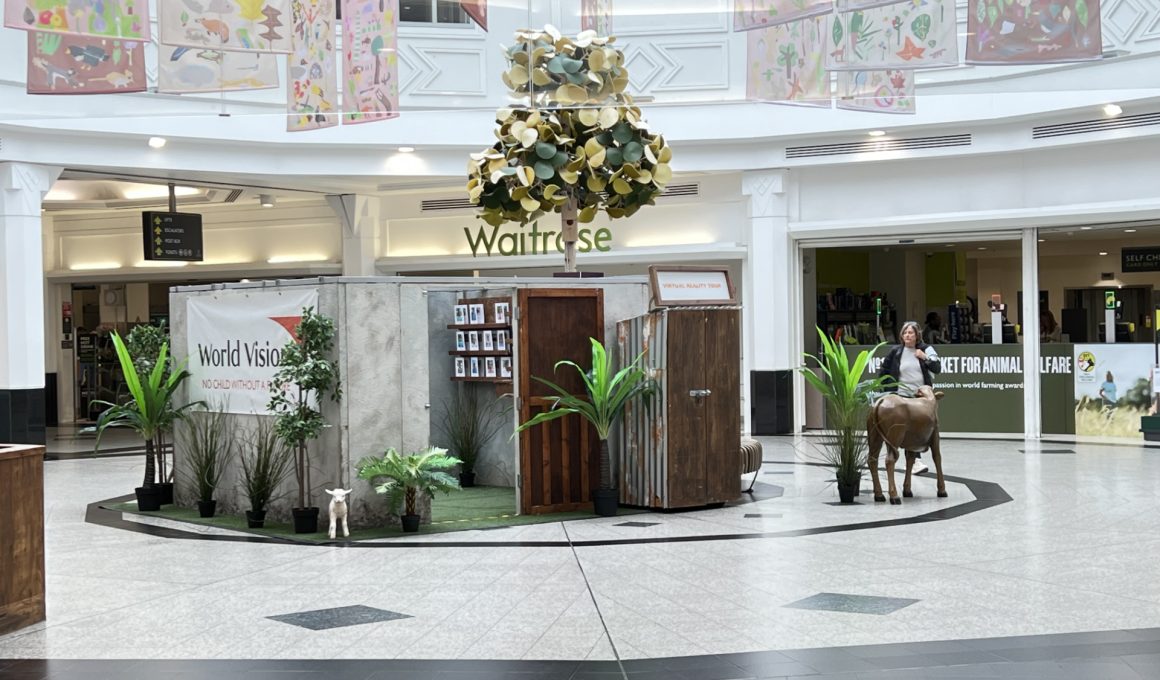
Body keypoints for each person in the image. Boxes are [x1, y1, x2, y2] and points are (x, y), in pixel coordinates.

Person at [877, 321, 942, 475]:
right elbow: (884, 371)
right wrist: (885, 391)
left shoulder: (926, 349)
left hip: (920, 398)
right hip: (900, 396)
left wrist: (924, 357)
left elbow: (937, 368)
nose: (907, 335)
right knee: (900, 430)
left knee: (917, 429)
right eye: (905, 332)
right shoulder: (896, 352)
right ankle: (901, 459)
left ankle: (915, 461)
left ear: (917, 335)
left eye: (911, 332)